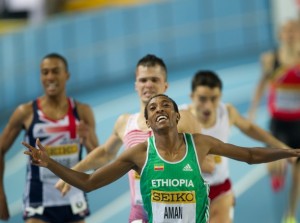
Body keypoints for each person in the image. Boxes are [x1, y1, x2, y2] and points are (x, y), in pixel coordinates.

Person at [23, 94, 300, 223]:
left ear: (178, 116)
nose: (159, 109)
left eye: (166, 104)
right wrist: (49, 163)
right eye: (153, 108)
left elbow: (250, 155)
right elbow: (89, 182)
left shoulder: (199, 144)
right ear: (148, 121)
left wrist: (290, 151)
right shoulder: (140, 154)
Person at [55, 54, 214, 223]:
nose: (149, 85)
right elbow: (106, 154)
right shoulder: (125, 123)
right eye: (143, 80)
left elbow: (208, 164)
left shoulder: (182, 119)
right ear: (136, 85)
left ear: (165, 85)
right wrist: (76, 170)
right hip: (140, 214)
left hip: (177, 212)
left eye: (154, 79)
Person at [180, 70, 293, 223]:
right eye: (202, 99)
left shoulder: (226, 112)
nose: (208, 105)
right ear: (191, 96)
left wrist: (281, 146)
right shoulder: (180, 118)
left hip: (221, 189)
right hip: (189, 192)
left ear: (220, 96)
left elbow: (250, 128)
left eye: (214, 99)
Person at [0, 53, 99, 222]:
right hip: (39, 199)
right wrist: (0, 194)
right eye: (45, 72)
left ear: (66, 75)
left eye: (55, 71)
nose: (50, 77)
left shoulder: (82, 111)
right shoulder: (26, 112)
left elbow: (99, 160)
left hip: (73, 196)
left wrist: (88, 140)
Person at [248, 20, 300, 223]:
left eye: (294, 31)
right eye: (286, 31)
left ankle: (290, 214)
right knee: (273, 162)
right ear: (280, 36)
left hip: (298, 124)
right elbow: (261, 83)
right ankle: (277, 172)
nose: (290, 35)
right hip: (278, 123)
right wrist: (253, 109)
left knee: (297, 172)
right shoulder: (270, 59)